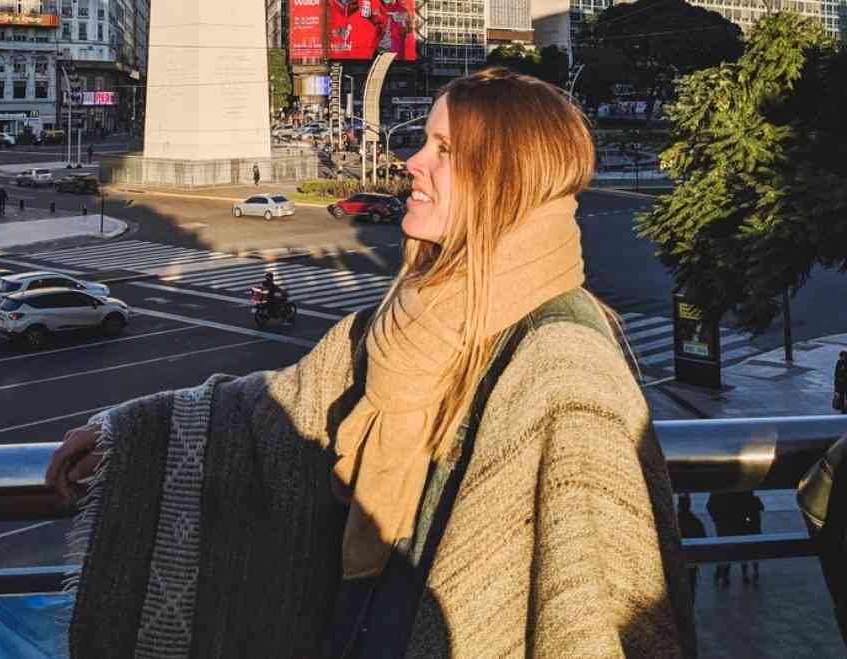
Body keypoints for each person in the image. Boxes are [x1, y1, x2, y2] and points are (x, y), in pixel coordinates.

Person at [47, 68, 695, 658]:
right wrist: (127, 433)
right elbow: (285, 405)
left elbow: (600, 613)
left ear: (508, 175)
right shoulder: (409, 316)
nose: (411, 162)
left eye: (444, 149)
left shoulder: (568, 366)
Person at [706, 490, 750, 585]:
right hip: (737, 524)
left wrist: (716, 520)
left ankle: (724, 575)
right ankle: (742, 574)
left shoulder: (718, 491)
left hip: (724, 526)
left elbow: (709, 506)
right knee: (741, 549)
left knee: (726, 550)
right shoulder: (740, 491)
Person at [676, 494, 707, 602]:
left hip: (676, 561)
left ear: (679, 505)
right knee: (691, 588)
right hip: (691, 560)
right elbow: (703, 539)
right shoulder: (696, 521)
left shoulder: (674, 521)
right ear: (689, 505)